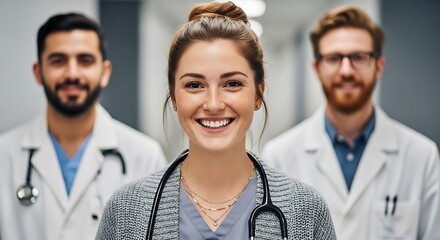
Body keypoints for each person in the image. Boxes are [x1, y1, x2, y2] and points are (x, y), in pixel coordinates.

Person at [96, 2, 336, 240]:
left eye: (232, 84)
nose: (213, 104)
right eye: (194, 85)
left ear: (258, 93)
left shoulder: (306, 210)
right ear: (173, 96)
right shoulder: (126, 211)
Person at [262, 5, 440, 240]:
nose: (346, 70)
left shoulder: (421, 156)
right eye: (334, 58)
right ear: (317, 68)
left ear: (379, 66)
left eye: (358, 57)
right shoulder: (278, 157)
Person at [0, 13, 167, 240]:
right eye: (58, 60)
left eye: (85, 60)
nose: (72, 73)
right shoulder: (4, 156)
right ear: (39, 73)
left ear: (105, 72)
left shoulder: (145, 157)